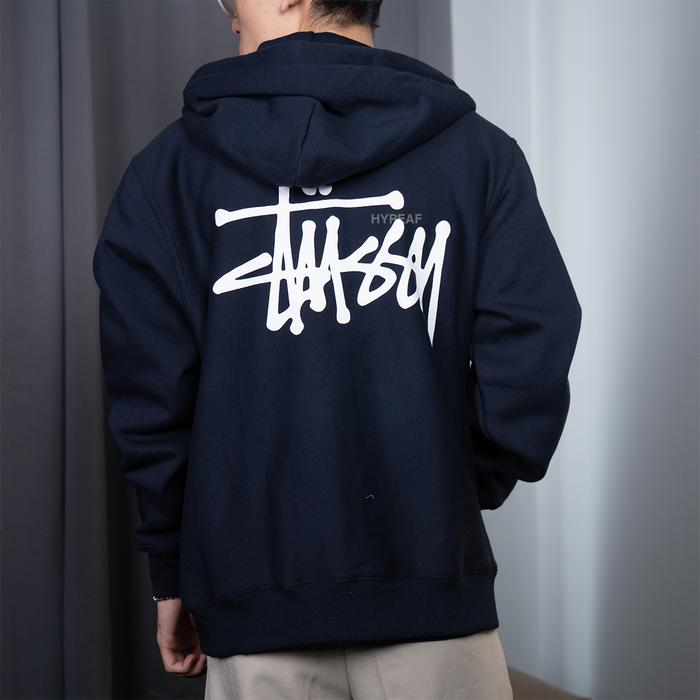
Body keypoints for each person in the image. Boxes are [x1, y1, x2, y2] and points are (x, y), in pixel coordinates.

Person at [92, 0, 582, 697]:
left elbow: (151, 398)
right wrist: (439, 484)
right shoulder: (480, 154)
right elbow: (530, 350)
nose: (229, 19)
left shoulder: (165, 174)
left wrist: (171, 569)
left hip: (252, 598)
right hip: (432, 588)